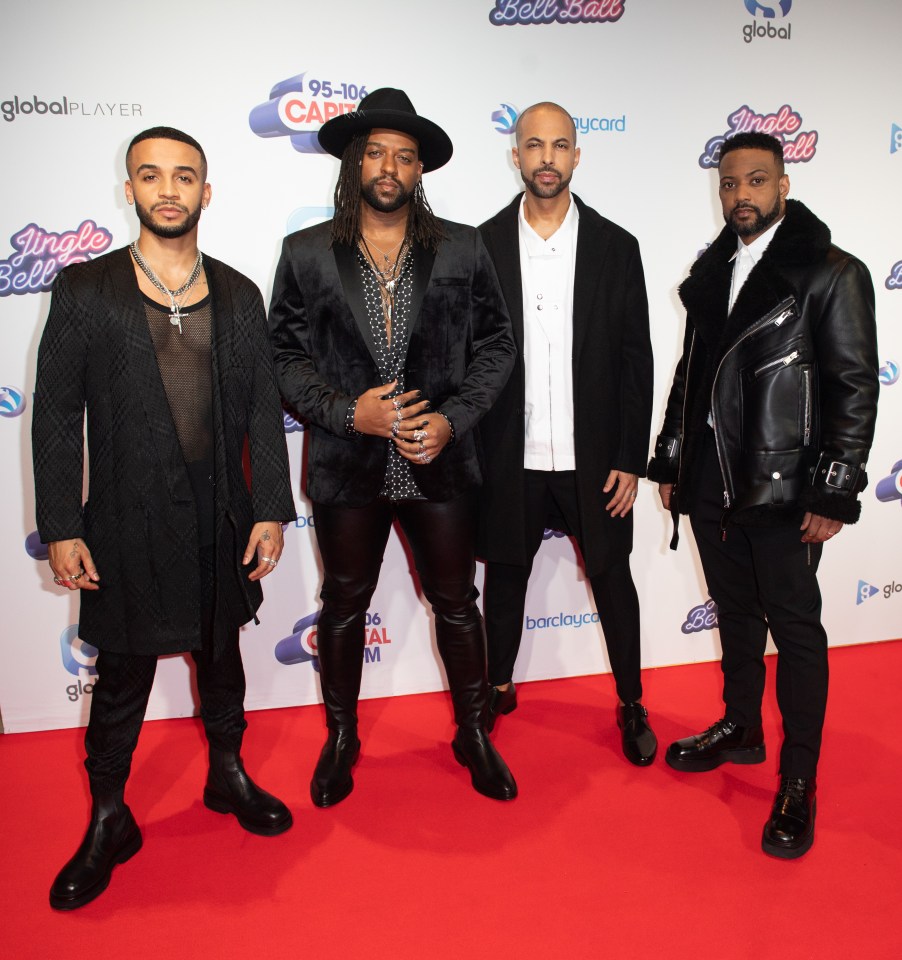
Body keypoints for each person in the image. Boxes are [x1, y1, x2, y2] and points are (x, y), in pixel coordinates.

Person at [33, 127, 297, 911]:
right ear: (131, 190)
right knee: (121, 678)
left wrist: (272, 510)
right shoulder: (87, 291)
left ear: (206, 193)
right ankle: (110, 819)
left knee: (221, 655)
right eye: (152, 176)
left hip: (222, 513)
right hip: (121, 521)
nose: (169, 190)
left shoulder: (241, 294)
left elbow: (260, 415)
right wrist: (62, 524)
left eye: (185, 177)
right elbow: (54, 416)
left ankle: (227, 775)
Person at [268, 88, 518, 805]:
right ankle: (341, 736)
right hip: (349, 468)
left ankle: (474, 733)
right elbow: (284, 357)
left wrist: (453, 420)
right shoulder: (306, 253)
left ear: (419, 171)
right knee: (344, 603)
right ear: (354, 163)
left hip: (438, 465)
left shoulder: (464, 247)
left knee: (456, 604)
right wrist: (348, 414)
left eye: (403, 157)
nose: (389, 166)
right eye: (375, 152)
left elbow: (498, 346)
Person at [648, 131, 878, 858]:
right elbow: (692, 377)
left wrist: (833, 489)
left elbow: (851, 385)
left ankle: (800, 781)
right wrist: (672, 461)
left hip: (781, 485)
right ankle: (741, 727)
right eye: (729, 184)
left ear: (782, 185)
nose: (740, 195)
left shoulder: (831, 272)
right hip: (715, 481)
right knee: (737, 615)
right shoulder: (713, 272)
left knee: (797, 632)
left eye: (755, 181)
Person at [477, 102, 657, 766]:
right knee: (504, 577)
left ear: (577, 156)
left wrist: (630, 459)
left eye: (559, 145)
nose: (547, 157)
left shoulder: (617, 246)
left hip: (594, 462)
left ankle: (633, 701)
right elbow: (469, 359)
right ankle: (496, 688)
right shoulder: (482, 245)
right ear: (516, 156)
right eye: (534, 145)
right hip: (509, 459)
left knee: (613, 579)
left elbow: (637, 361)